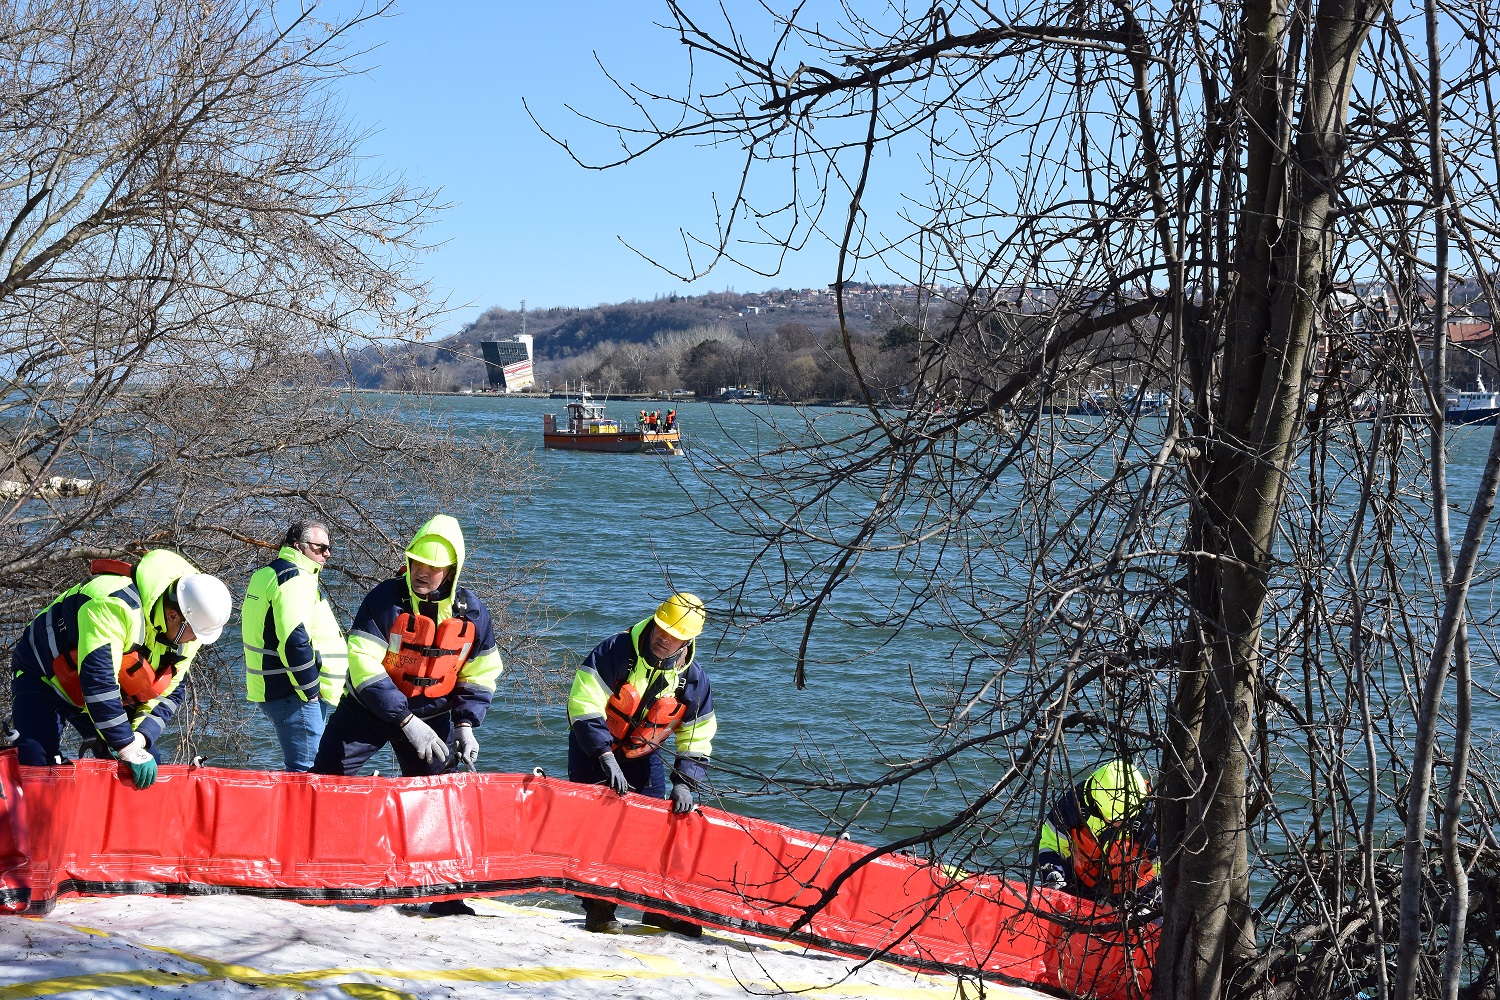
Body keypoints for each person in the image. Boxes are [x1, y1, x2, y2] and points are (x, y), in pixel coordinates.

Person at [9, 550, 233, 788]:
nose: (195, 640)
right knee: (36, 763)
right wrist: (125, 745)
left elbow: (169, 693)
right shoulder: (112, 603)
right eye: (194, 633)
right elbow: (99, 682)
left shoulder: (188, 633)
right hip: (42, 675)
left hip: (98, 691)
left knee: (145, 768)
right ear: (172, 616)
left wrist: (140, 738)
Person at [567, 592, 717, 935]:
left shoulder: (694, 680)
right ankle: (600, 908)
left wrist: (685, 782)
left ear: (688, 640)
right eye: (661, 628)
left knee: (653, 832)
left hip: (643, 754)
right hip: (593, 749)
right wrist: (604, 755)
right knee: (598, 828)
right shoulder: (615, 651)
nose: (664, 638)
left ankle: (657, 908)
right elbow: (584, 702)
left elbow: (697, 734)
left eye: (674, 635)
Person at [242, 521, 347, 772]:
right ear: (299, 546)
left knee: (305, 771)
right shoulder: (294, 579)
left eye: (329, 548)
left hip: (278, 689)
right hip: (296, 695)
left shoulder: (267, 574)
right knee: (307, 773)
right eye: (320, 548)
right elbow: (294, 640)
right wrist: (310, 691)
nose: (327, 554)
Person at [1036, 759, 1158, 907]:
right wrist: (1053, 873)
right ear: (1097, 804)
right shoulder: (1073, 804)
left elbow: (1164, 864)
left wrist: (1151, 900)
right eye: (1115, 818)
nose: (1120, 822)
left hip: (1134, 886)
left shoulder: (1152, 817)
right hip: (1081, 876)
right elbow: (1049, 842)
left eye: (1126, 818)